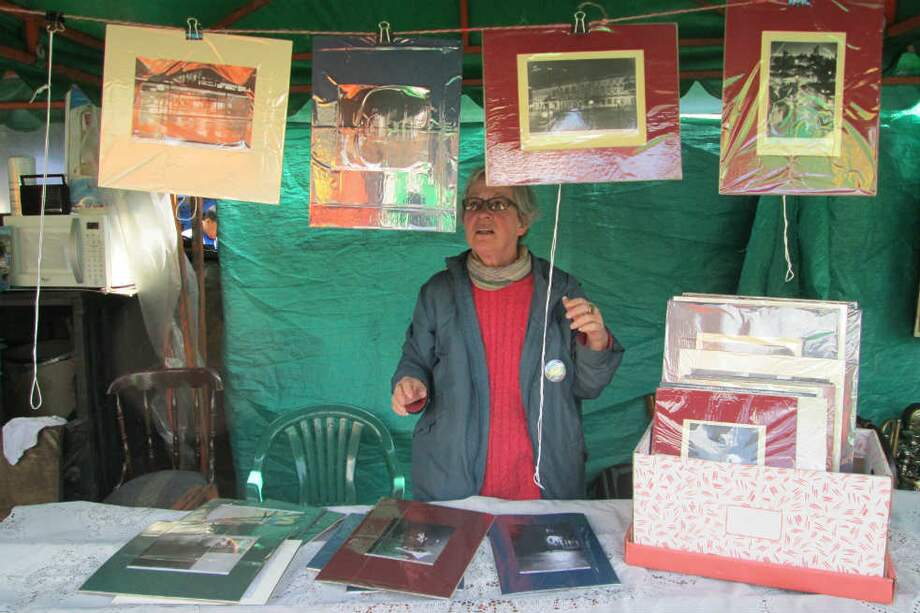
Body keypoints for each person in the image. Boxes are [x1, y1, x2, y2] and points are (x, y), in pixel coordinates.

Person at [391, 169, 624, 501]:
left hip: (542, 479)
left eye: (498, 204)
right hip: (453, 477)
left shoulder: (559, 290)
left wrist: (597, 342)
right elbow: (414, 360)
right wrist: (409, 383)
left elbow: (588, 385)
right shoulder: (438, 293)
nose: (483, 213)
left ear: (523, 223)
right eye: (473, 203)